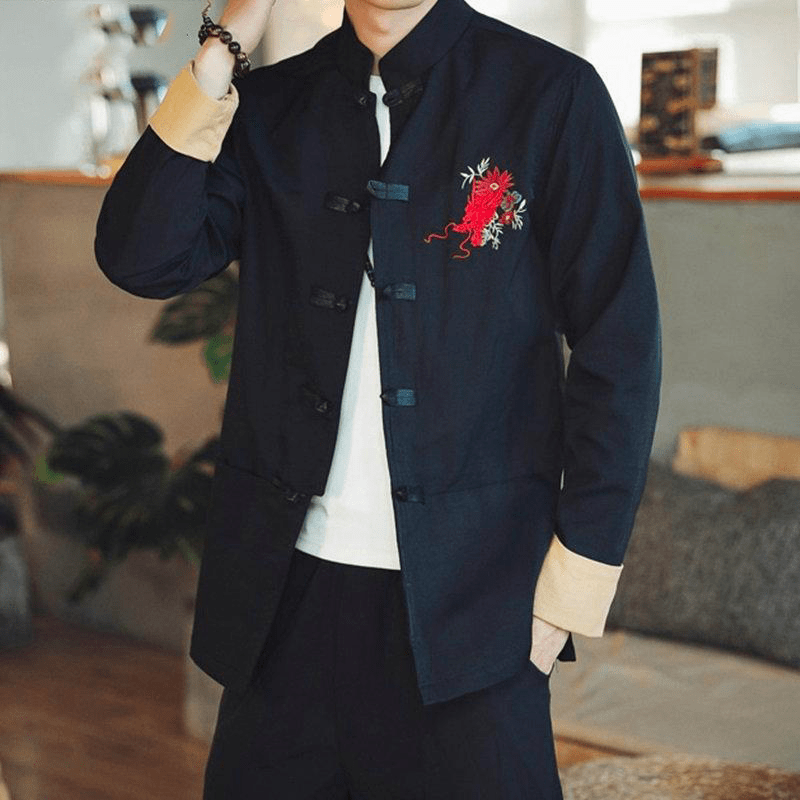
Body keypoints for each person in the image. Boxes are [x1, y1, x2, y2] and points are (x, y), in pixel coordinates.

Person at [95, 0, 661, 796]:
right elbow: (140, 257)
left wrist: (573, 589)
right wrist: (224, 45)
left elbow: (620, 347)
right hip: (285, 603)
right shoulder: (271, 104)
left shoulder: (550, 92)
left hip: (474, 609)